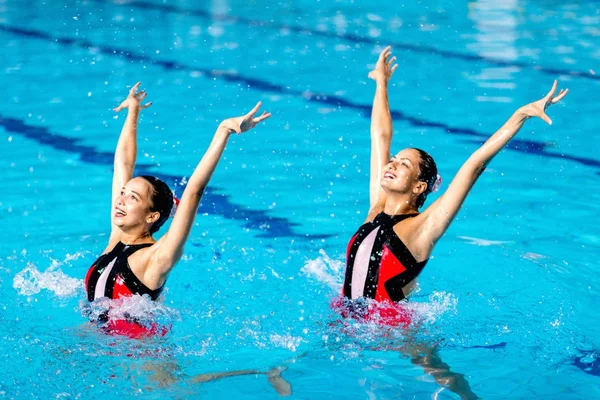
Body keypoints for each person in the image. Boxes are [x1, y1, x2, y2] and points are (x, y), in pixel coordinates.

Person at [336, 46, 568, 399]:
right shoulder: (375, 206)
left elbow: (473, 165)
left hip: (392, 332)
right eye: (395, 159)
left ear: (418, 187)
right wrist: (381, 83)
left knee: (441, 376)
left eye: (405, 164)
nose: (393, 163)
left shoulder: (423, 228)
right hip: (348, 318)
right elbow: (380, 137)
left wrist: (519, 116)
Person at [84, 82, 271, 337]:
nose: (120, 200)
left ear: (152, 216)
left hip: (143, 365)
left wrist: (223, 130)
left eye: (132, 198)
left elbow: (194, 190)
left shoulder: (156, 257)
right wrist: (133, 113)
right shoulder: (117, 239)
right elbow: (123, 165)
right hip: (103, 349)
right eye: (122, 194)